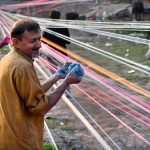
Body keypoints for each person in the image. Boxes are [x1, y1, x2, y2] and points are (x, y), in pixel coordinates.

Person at [0, 19, 83, 150]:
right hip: (22, 141)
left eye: (39, 39)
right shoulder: (22, 66)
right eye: (33, 41)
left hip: (8, 135)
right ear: (16, 42)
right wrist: (66, 83)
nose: (39, 45)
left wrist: (56, 77)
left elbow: (31, 94)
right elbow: (40, 107)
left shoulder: (9, 59)